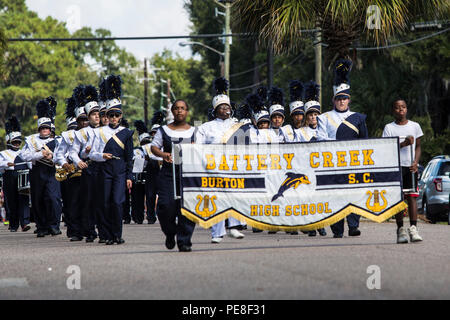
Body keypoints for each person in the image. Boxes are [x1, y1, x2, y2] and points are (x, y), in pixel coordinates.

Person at [316, 59, 368, 238]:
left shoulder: (358, 117)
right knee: (335, 196)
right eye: (338, 98)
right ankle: (337, 229)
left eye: (344, 98)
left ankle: (353, 226)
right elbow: (321, 139)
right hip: (332, 164)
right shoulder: (324, 118)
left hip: (353, 164)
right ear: (333, 99)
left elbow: (365, 142)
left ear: (349, 99)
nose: (341, 101)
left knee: (353, 194)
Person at [195, 77, 246, 243]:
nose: (226, 110)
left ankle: (234, 227)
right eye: (222, 107)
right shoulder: (205, 127)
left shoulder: (238, 125)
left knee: (234, 196)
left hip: (233, 166)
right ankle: (217, 233)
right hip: (213, 167)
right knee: (216, 199)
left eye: (228, 107)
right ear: (216, 110)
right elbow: (199, 148)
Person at [89, 75, 134, 245]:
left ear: (121, 116)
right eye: (111, 115)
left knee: (117, 202)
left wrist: (129, 176)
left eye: (117, 115)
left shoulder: (127, 133)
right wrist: (102, 156)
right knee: (105, 202)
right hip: (105, 169)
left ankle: (117, 234)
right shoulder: (100, 132)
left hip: (120, 169)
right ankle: (107, 235)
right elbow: (92, 154)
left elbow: (129, 157)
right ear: (106, 115)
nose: (114, 118)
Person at [150, 99, 196, 252]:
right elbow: (154, 147)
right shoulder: (164, 130)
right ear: (172, 112)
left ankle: (184, 241)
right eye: (176, 108)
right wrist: (164, 155)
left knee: (187, 208)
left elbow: (202, 150)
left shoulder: (195, 131)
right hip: (168, 174)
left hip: (188, 174)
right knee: (165, 206)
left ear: (187, 111)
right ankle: (170, 233)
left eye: (182, 108)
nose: (179, 111)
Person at [382, 99, 423, 243]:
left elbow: (418, 146)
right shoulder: (389, 128)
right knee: (399, 199)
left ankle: (413, 228)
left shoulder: (414, 126)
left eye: (403, 107)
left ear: (407, 109)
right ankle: (400, 230)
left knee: (412, 197)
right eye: (398, 108)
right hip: (396, 167)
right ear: (393, 111)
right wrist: (404, 144)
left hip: (410, 166)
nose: (401, 110)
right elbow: (386, 148)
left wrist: (416, 162)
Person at [22, 97, 62, 237]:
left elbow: (63, 156)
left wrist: (52, 156)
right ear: (39, 128)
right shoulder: (31, 140)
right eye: (42, 128)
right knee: (38, 200)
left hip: (51, 172)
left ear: (50, 129)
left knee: (53, 198)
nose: (45, 130)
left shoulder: (57, 141)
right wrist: (40, 154)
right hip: (37, 172)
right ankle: (42, 226)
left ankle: (54, 225)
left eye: (47, 128)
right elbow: (24, 156)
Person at [70, 85, 102, 242]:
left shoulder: (107, 130)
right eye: (93, 114)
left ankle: (104, 231)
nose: (96, 117)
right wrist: (79, 161)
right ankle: (89, 231)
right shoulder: (81, 133)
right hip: (89, 168)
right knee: (88, 200)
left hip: (104, 168)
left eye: (98, 114)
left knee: (103, 200)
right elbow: (72, 152)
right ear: (88, 117)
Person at [298, 82, 327, 237]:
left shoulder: (325, 131)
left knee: (319, 197)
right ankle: (310, 225)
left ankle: (321, 224)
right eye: (310, 115)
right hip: (306, 168)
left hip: (321, 167)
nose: (313, 117)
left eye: (316, 114)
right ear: (306, 117)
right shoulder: (301, 132)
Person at [54, 96, 83, 241]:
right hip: (72, 172)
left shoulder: (97, 131)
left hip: (91, 171)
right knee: (72, 202)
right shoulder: (67, 135)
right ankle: (74, 230)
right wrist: (64, 163)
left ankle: (88, 229)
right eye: (81, 119)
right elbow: (58, 155)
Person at [0, 116, 31, 232]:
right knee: (11, 201)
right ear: (9, 141)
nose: (17, 143)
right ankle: (13, 224)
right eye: (15, 141)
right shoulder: (3, 153)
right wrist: (6, 164)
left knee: (23, 199)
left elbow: (30, 164)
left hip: (22, 176)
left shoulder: (24, 152)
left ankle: (25, 223)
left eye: (19, 141)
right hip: (9, 178)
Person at [142, 112, 165, 224]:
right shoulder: (146, 147)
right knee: (150, 196)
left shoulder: (166, 145)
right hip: (151, 174)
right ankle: (150, 217)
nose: (155, 135)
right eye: (153, 133)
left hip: (162, 174)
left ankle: (162, 216)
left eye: (157, 133)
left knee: (163, 197)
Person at [130, 120, 152, 224]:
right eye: (144, 142)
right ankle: (138, 217)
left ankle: (151, 216)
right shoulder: (137, 150)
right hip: (139, 176)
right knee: (137, 198)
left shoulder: (153, 149)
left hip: (150, 176)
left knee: (150, 197)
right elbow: (136, 161)